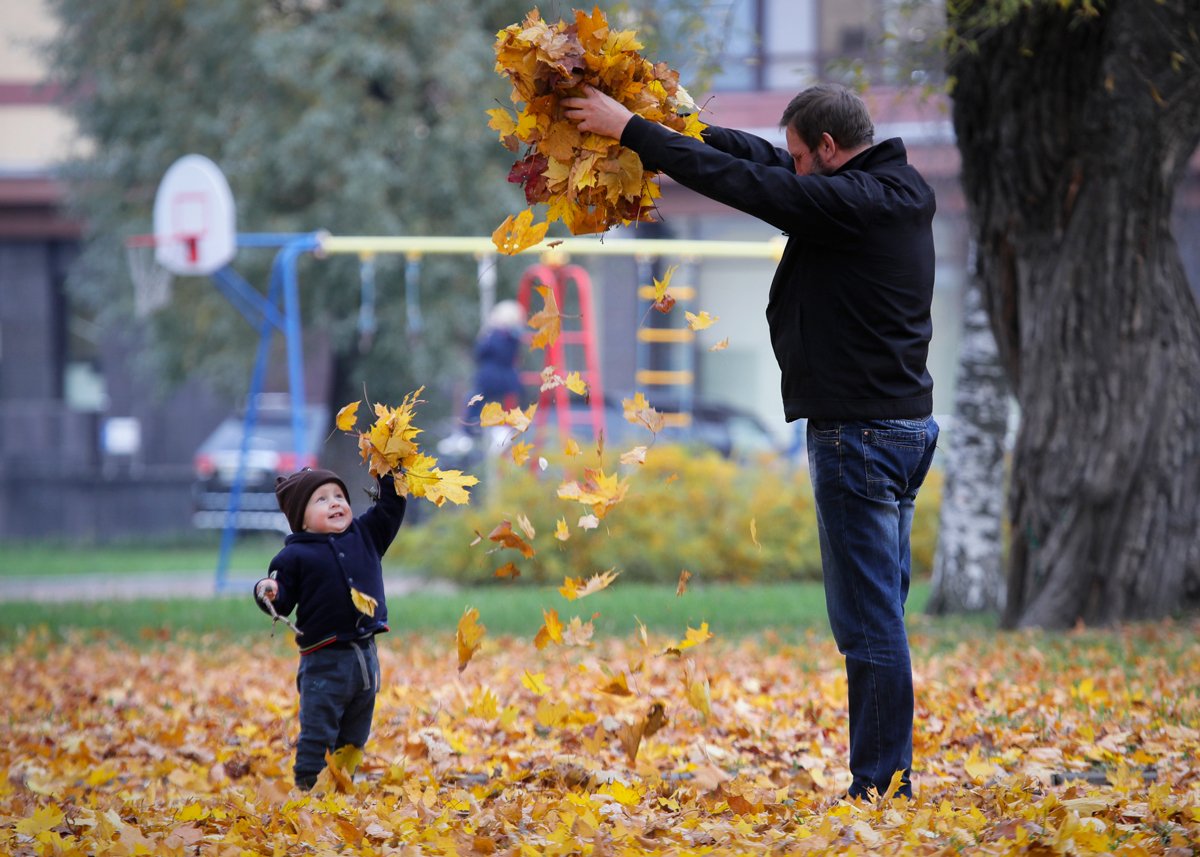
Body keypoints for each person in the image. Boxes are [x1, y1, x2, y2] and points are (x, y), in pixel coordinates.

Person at [564, 83, 939, 800]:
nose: (792, 165)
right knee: (877, 617)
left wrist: (633, 130)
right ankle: (887, 776)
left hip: (858, 435)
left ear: (829, 148)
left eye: (802, 154)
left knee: (867, 625)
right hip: (896, 429)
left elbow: (752, 185)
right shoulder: (886, 187)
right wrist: (686, 126)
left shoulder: (852, 205)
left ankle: (883, 785)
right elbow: (763, 160)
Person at [253, 466, 407, 790]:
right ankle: (309, 787)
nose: (335, 502)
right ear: (303, 520)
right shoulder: (293, 555)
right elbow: (281, 598)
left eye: (339, 495)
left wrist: (388, 473)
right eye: (321, 499)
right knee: (319, 732)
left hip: (365, 657)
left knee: (354, 734)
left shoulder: (366, 535)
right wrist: (269, 589)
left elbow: (391, 507)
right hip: (324, 663)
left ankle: (341, 784)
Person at [464, 299, 527, 432]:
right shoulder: (514, 335)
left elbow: (479, 354)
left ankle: (470, 429)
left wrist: (483, 337)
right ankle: (499, 428)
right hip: (509, 378)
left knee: (474, 400)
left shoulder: (492, 336)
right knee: (501, 403)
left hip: (490, 377)